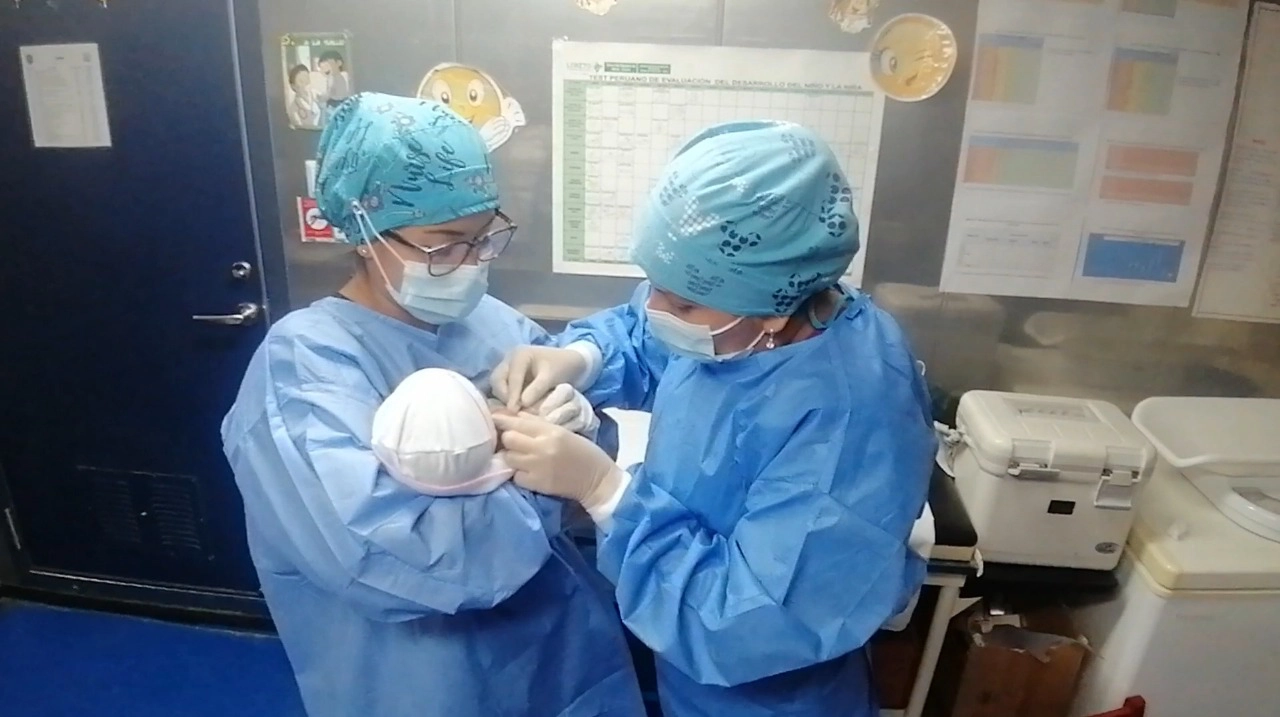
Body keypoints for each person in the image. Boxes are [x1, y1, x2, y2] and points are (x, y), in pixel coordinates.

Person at [220, 92, 647, 717]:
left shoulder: (488, 320)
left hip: (565, 652)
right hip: (428, 678)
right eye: (442, 246)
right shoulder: (304, 369)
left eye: (483, 238)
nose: (470, 264)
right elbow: (392, 559)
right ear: (365, 233)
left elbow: (587, 448)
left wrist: (582, 425)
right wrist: (549, 486)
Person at [492, 120, 936, 717]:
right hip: (684, 676)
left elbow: (747, 621)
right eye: (653, 285)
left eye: (679, 301)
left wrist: (604, 491)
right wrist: (583, 357)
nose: (654, 310)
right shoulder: (751, 319)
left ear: (773, 311)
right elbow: (664, 336)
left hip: (767, 694)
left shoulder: (851, 418)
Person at [285, 63, 321, 130]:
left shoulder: (314, 97)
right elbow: (300, 129)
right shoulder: (294, 109)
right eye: (301, 81)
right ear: (293, 86)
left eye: (307, 79)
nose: (306, 83)